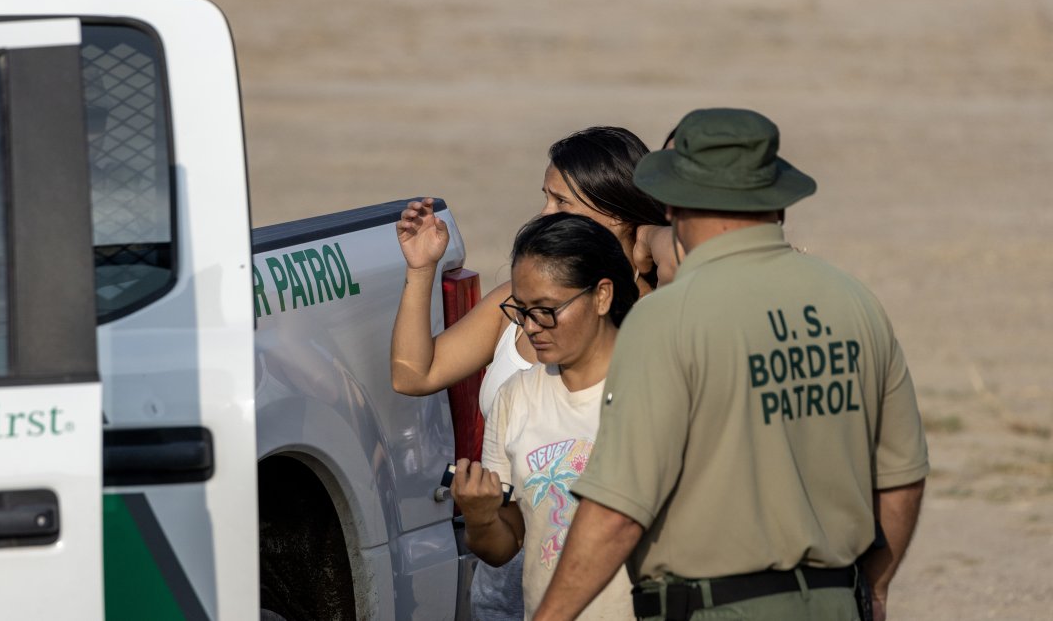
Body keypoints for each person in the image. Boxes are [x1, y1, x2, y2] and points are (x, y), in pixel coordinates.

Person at [532, 108, 929, 621]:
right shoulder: (853, 303)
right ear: (776, 200)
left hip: (715, 606)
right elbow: (900, 478)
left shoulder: (667, 320)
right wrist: (871, 591)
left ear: (673, 202)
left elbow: (616, 511)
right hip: (837, 601)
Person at [391, 127, 675, 621]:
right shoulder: (516, 302)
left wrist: (648, 235)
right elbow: (415, 373)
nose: (545, 215)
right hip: (509, 587)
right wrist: (421, 270)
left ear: (618, 214)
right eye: (545, 198)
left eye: (562, 204)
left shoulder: (657, 317)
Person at [450, 213, 640, 621]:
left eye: (547, 309)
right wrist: (481, 517)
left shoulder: (657, 384)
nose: (532, 326)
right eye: (521, 309)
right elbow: (508, 543)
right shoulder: (516, 397)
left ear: (602, 296)